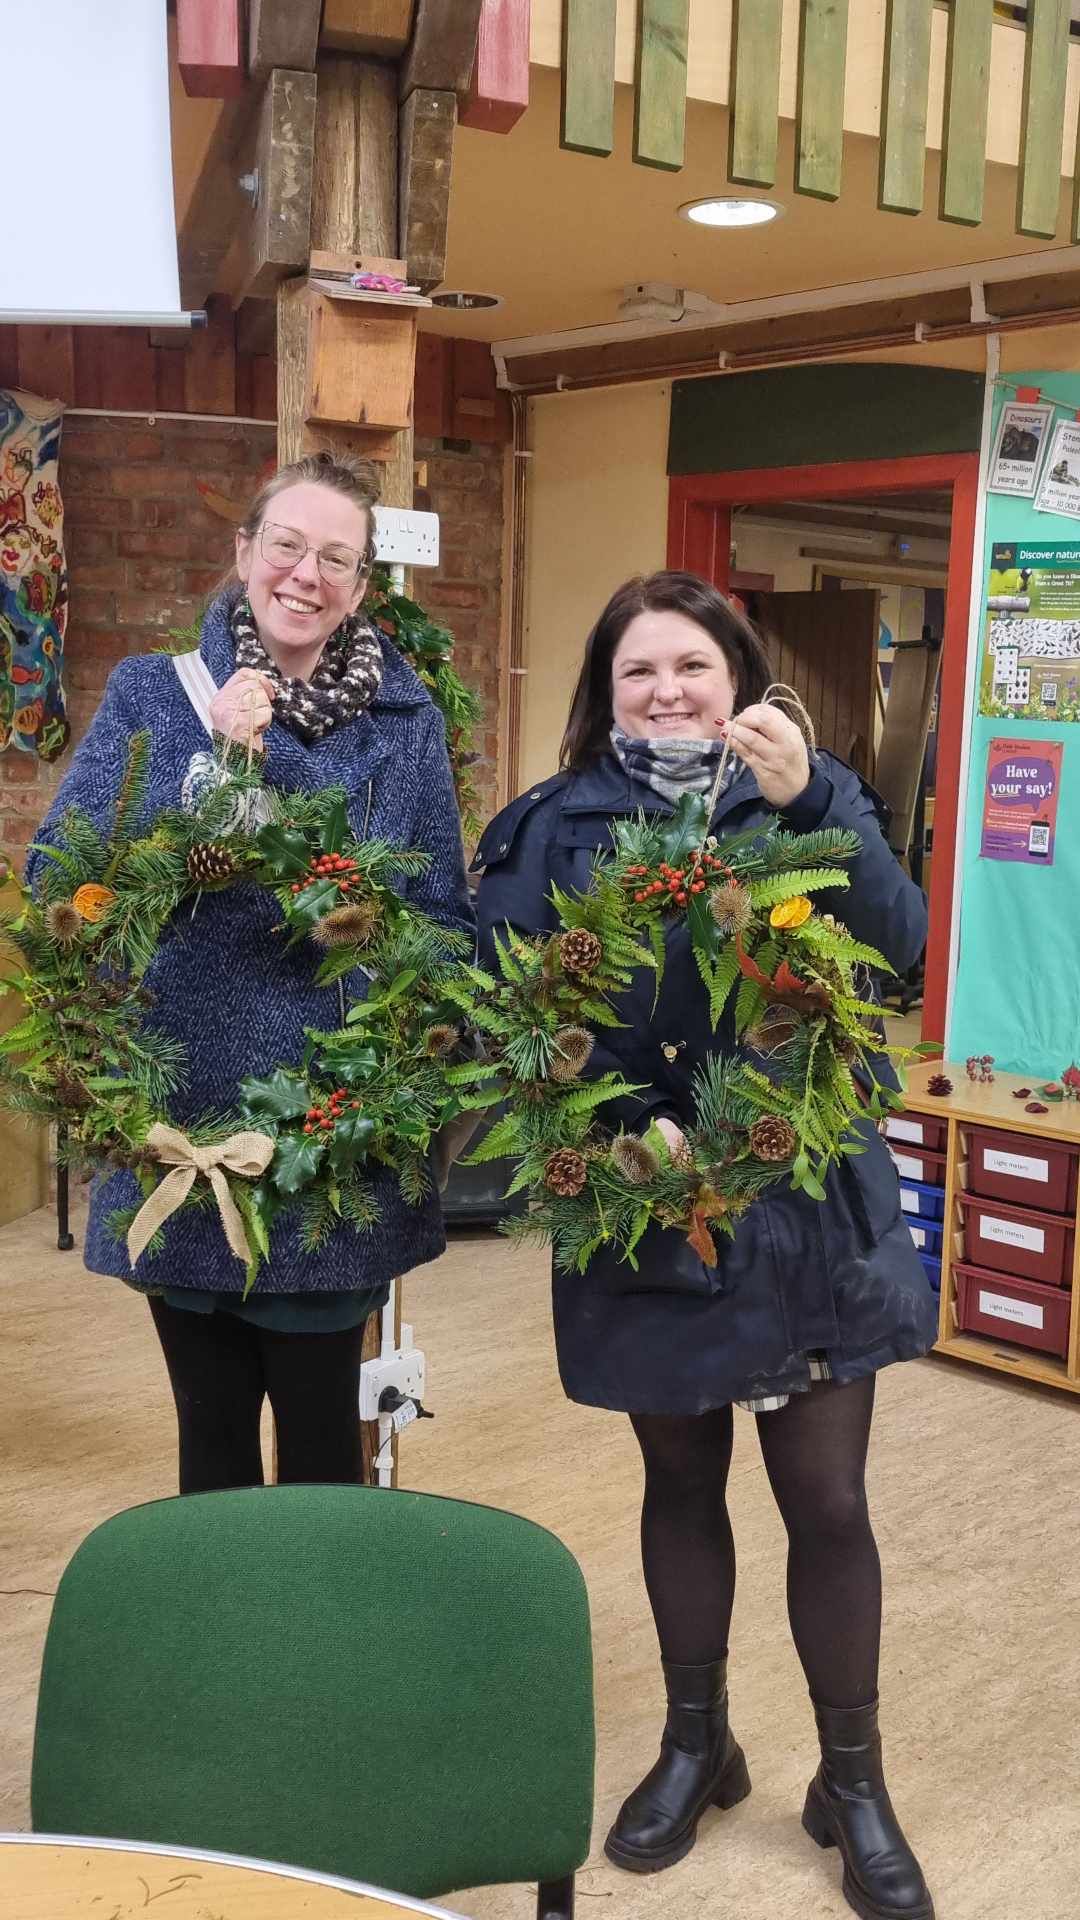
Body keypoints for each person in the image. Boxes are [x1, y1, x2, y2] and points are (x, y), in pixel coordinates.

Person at [473, 571, 937, 1920]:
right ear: (602, 691)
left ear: (739, 678)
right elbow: (514, 1018)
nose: (668, 690)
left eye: (692, 666)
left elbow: (898, 952)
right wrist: (625, 1132)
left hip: (809, 1213)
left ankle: (852, 1781)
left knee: (829, 1500)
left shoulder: (811, 789)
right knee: (681, 1486)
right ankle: (700, 1744)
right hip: (645, 1205)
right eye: (638, 671)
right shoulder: (554, 828)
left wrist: (816, 804)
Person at [29, 452, 474, 1495]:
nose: (305, 574)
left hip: (333, 1147)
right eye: (286, 545)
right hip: (182, 1129)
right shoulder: (155, 694)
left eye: (335, 557)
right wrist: (208, 771)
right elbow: (64, 875)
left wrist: (370, 946)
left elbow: (445, 924)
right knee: (212, 1443)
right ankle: (227, 1652)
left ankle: (320, 1652)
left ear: (362, 587)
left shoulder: (407, 727)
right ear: (245, 555)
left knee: (326, 1451)